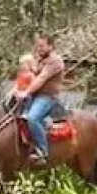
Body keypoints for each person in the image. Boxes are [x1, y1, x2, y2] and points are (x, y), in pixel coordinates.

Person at [12, 33, 66, 165]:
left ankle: (43, 152)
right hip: (34, 96)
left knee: (32, 118)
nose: (39, 48)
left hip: (47, 97)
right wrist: (16, 90)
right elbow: (28, 75)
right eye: (38, 46)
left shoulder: (55, 61)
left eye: (42, 46)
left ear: (51, 46)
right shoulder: (39, 60)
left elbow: (41, 79)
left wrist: (26, 93)